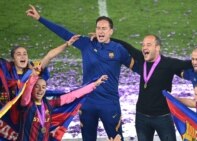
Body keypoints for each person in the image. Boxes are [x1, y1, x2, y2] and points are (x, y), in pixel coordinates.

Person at [26, 5, 134, 140]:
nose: (100, 31)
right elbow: (64, 33)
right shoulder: (86, 44)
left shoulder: (119, 49)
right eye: (98, 28)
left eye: (104, 28)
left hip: (109, 104)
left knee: (117, 139)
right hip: (87, 102)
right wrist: (40, 18)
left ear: (111, 31)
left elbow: (136, 65)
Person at [111, 35, 192, 141]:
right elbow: (126, 46)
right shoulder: (141, 58)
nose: (144, 48)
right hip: (142, 116)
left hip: (162, 117)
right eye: (143, 45)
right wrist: (109, 38)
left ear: (157, 48)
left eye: (148, 45)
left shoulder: (168, 63)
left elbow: (188, 64)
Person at [18, 70, 108, 141]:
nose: (40, 90)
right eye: (37, 86)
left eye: (43, 87)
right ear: (33, 88)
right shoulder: (27, 104)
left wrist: (95, 84)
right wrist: (32, 78)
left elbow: (72, 95)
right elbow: (27, 91)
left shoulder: (49, 104)